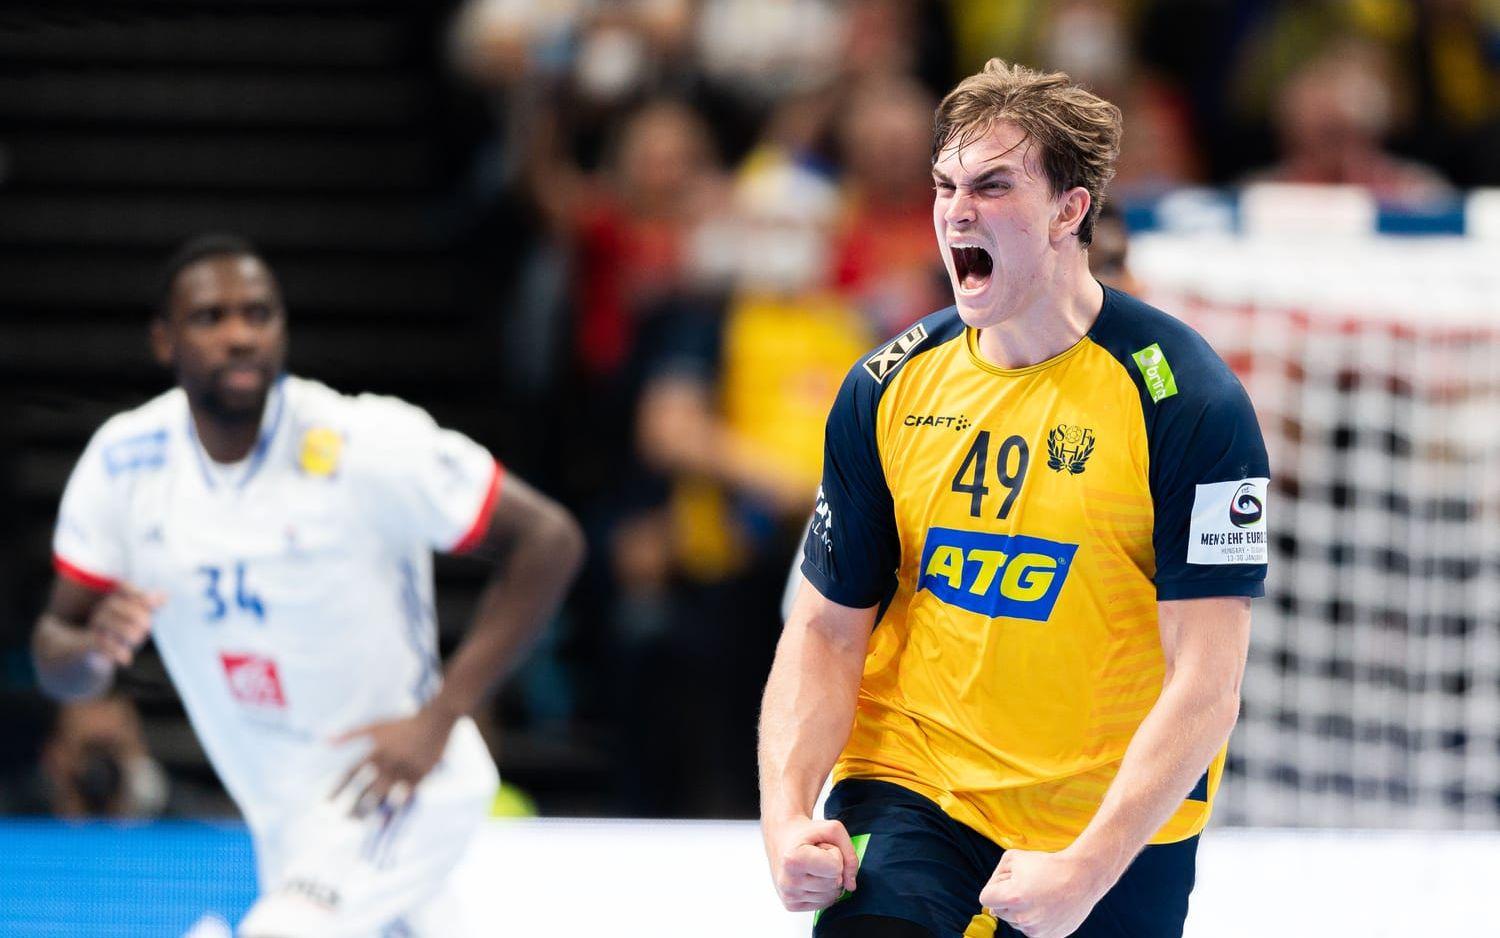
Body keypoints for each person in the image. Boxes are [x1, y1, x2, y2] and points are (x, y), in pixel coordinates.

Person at [759, 60, 1268, 938]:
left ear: (1071, 210)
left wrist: (1087, 868)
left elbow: (1208, 681)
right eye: (946, 184)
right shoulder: (888, 385)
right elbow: (825, 626)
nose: (957, 210)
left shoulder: (1190, 401)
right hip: (917, 781)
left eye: (993, 186)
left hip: (1111, 812)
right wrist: (785, 819)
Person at [32, 234, 585, 938]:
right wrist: (91, 653)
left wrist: (442, 715)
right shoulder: (125, 462)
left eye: (258, 314)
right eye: (212, 318)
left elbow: (551, 538)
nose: (239, 335)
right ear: (164, 340)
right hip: (285, 813)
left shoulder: (363, 442)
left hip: (399, 784)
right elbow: (57, 652)